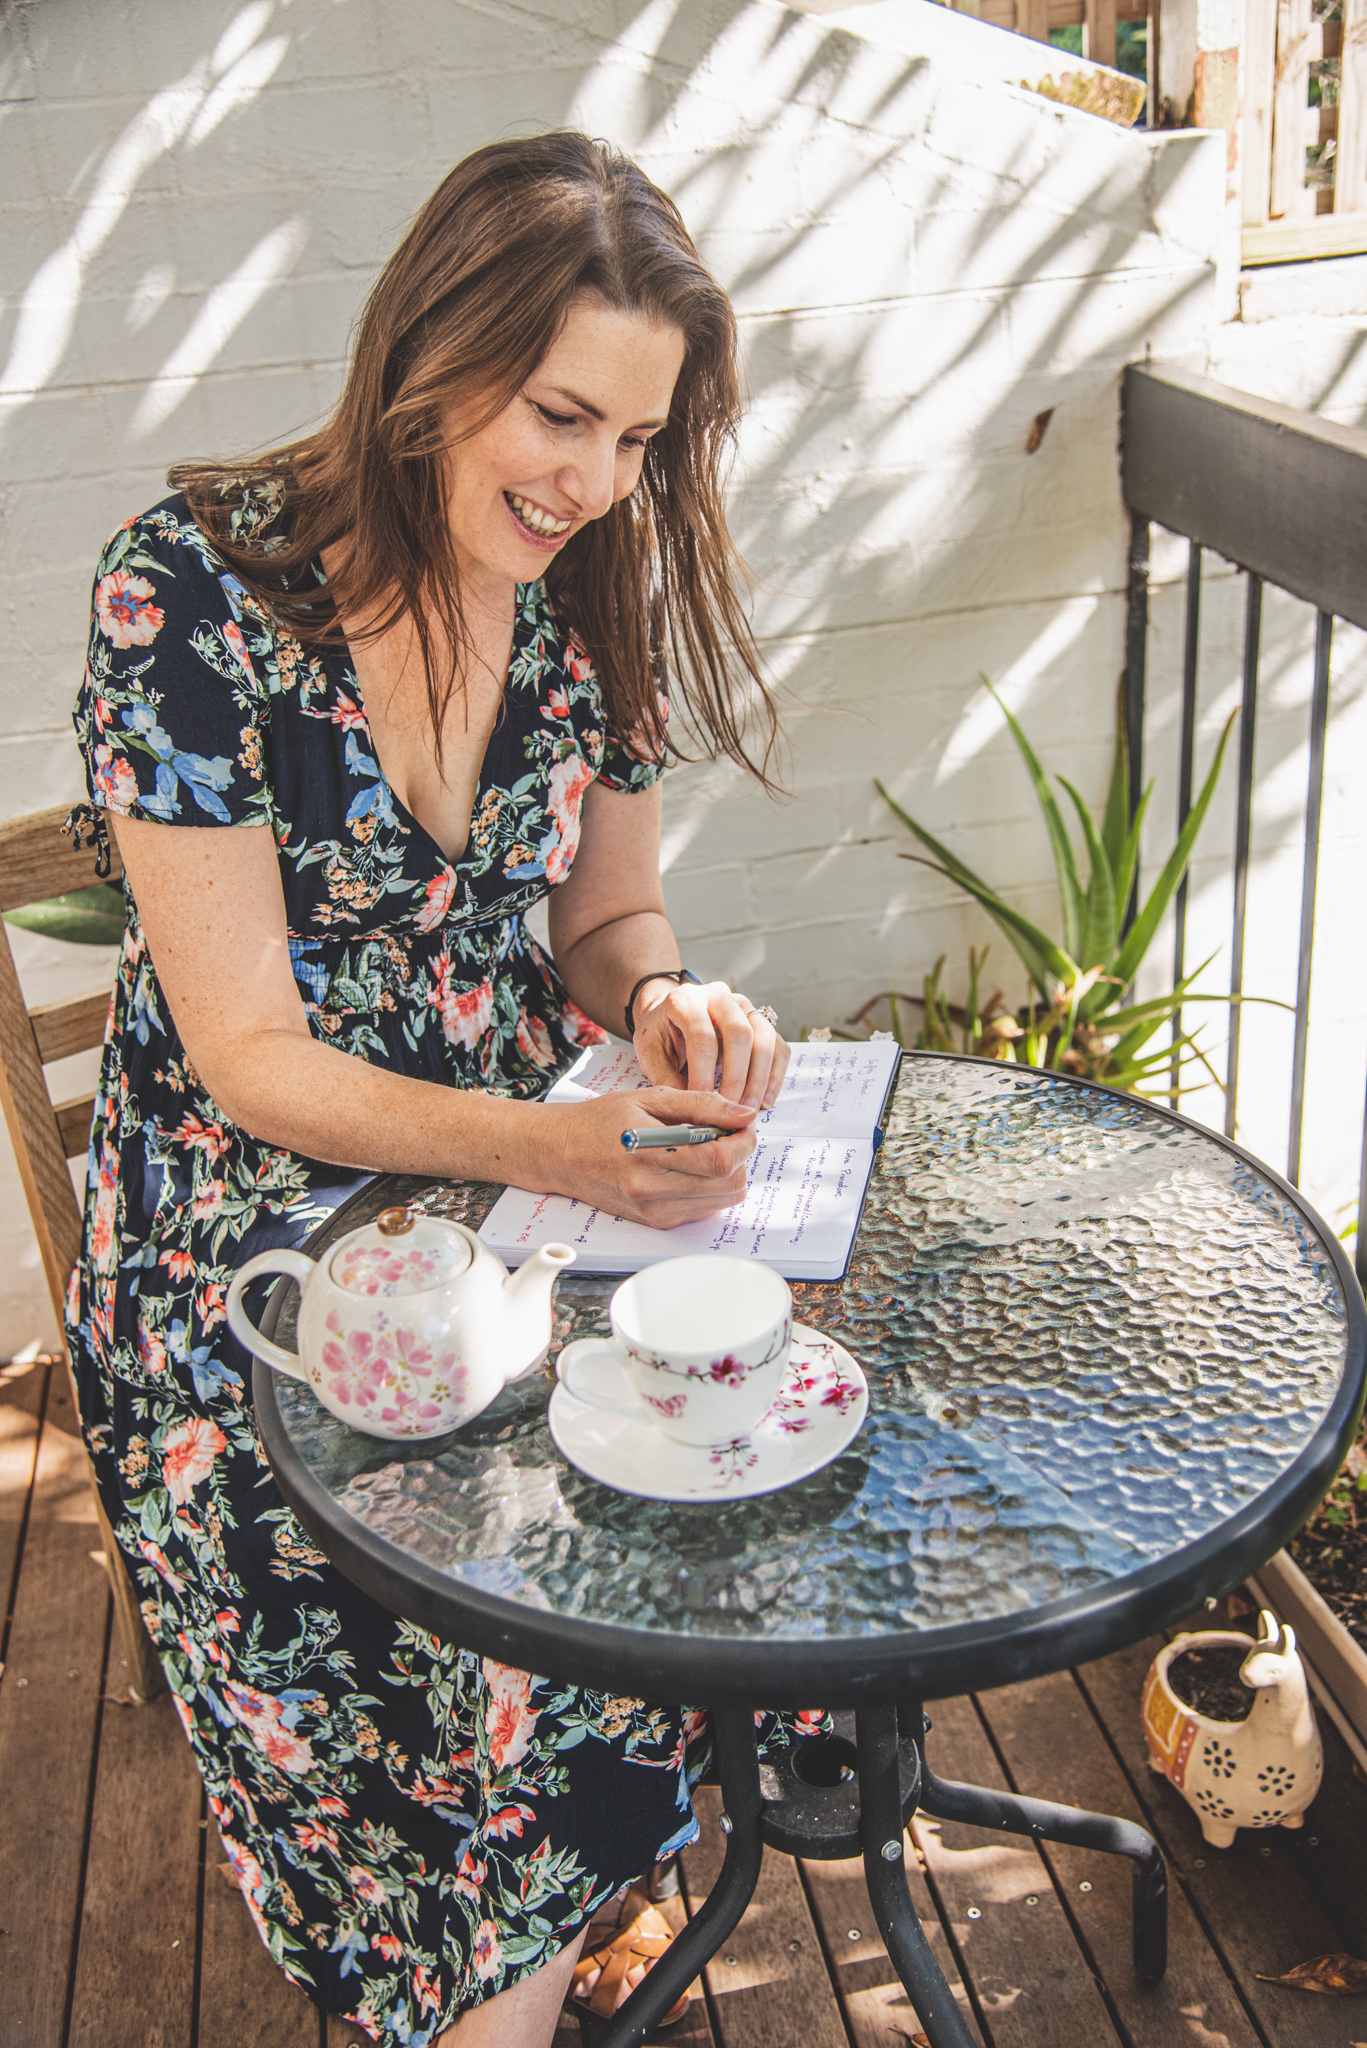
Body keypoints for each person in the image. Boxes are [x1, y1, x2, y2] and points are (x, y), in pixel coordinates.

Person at [65, 133, 810, 2046]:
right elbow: (246, 1058)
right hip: (254, 1266)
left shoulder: (590, 593)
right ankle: (503, 1956)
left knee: (709, 1466)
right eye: (565, 412)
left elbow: (610, 911)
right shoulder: (192, 600)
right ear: (434, 346)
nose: (595, 480)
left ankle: (530, 1935)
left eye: (638, 439)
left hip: (526, 1210)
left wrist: (669, 1004)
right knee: (501, 1635)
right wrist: (559, 1141)